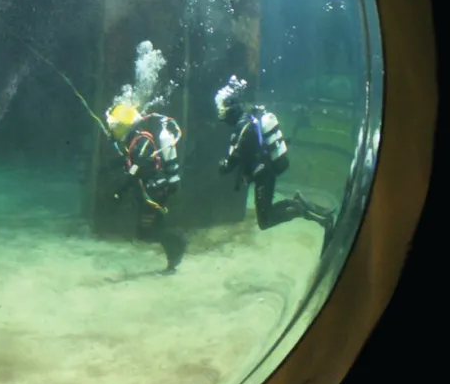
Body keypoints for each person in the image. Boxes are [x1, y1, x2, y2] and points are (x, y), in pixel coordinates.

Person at [215, 75, 335, 246]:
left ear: (231, 110)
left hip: (264, 174)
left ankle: (298, 207)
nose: (222, 115)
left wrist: (223, 165)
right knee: (267, 215)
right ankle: (300, 206)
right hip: (266, 170)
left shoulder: (243, 130)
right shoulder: (249, 119)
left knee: (265, 220)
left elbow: (232, 162)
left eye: (223, 111)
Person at [105, 102, 187, 274]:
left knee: (154, 229)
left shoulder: (141, 141)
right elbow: (130, 160)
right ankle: (174, 256)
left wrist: (119, 192)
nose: (112, 130)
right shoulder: (134, 140)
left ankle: (177, 245)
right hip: (150, 191)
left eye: (114, 127)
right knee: (149, 230)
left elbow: (134, 170)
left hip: (155, 192)